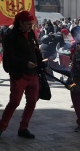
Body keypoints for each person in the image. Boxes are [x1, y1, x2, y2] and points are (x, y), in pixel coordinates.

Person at [0, 11, 47, 139]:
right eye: (27, 24)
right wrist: (25, 63)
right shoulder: (10, 36)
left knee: (32, 101)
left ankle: (23, 128)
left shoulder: (31, 33)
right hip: (19, 74)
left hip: (33, 74)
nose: (30, 27)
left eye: (31, 24)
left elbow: (36, 50)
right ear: (20, 23)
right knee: (15, 101)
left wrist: (42, 64)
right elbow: (9, 57)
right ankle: (1, 126)